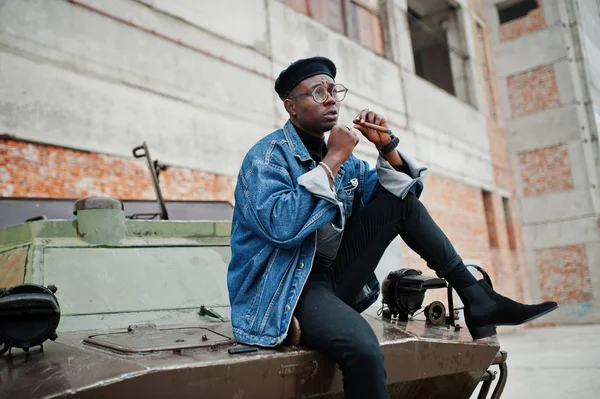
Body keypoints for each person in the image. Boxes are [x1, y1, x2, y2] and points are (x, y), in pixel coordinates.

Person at [227, 56, 557, 398]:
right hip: (285, 288)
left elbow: (398, 197)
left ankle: (477, 297)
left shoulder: (346, 158)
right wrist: (332, 160)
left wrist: (386, 145)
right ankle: (480, 302)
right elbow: (283, 226)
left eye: (333, 91)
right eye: (318, 92)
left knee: (399, 202)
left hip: (333, 275)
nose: (331, 100)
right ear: (291, 106)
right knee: (364, 350)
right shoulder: (266, 158)